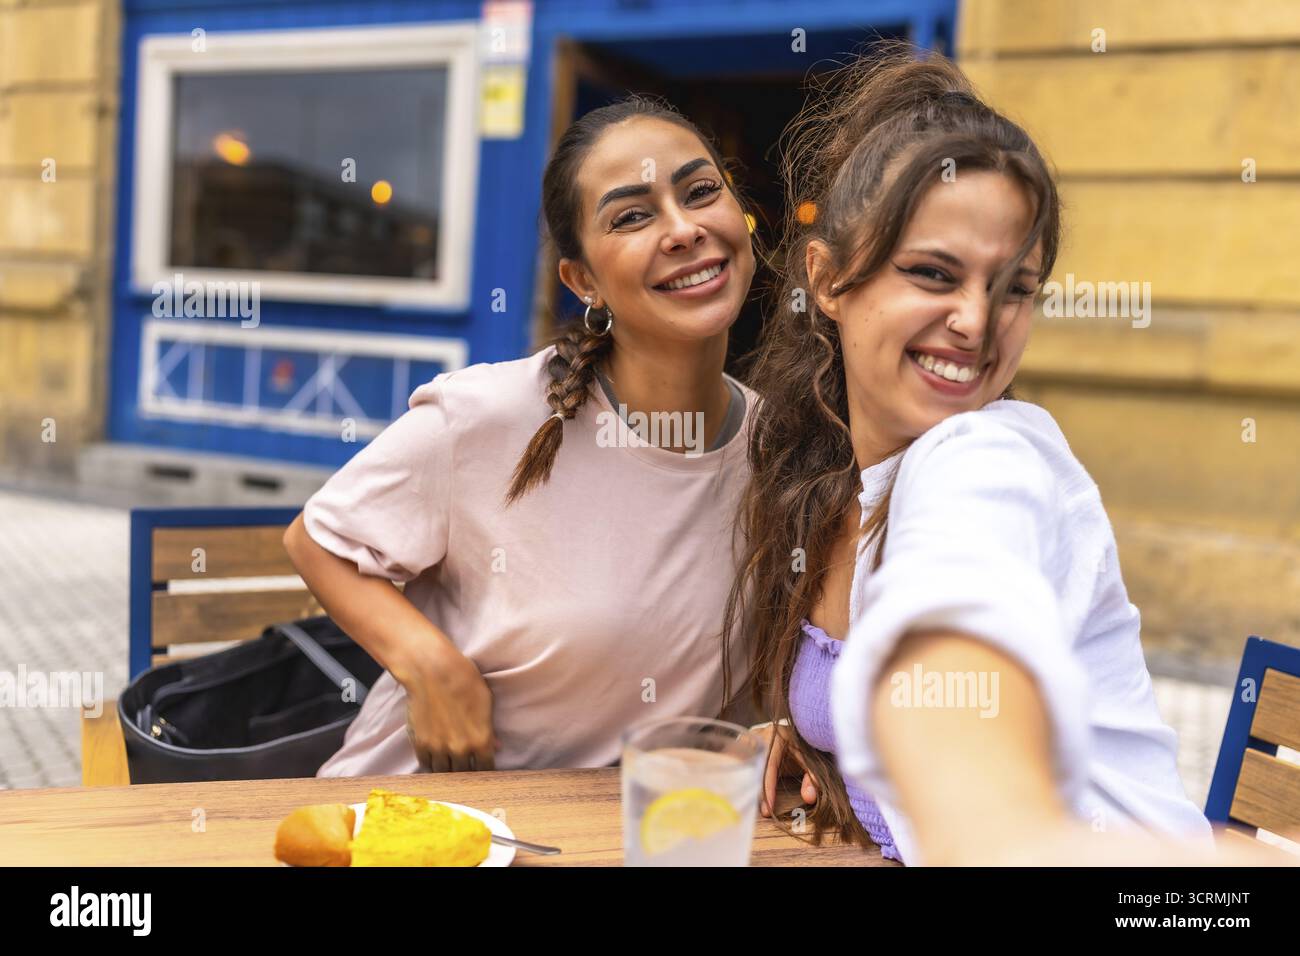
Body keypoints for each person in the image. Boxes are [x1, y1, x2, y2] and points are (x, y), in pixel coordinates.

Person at [732, 46, 1218, 865]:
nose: (977, 322)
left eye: (1014, 287)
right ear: (827, 279)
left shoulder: (987, 458)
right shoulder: (841, 476)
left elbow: (960, 665)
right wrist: (817, 737)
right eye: (933, 273)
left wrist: (979, 801)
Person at [283, 96, 758, 776]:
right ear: (583, 280)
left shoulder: (778, 447)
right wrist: (428, 662)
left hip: (608, 836)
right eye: (632, 215)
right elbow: (317, 539)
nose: (682, 229)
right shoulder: (489, 415)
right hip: (422, 819)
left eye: (701, 192)